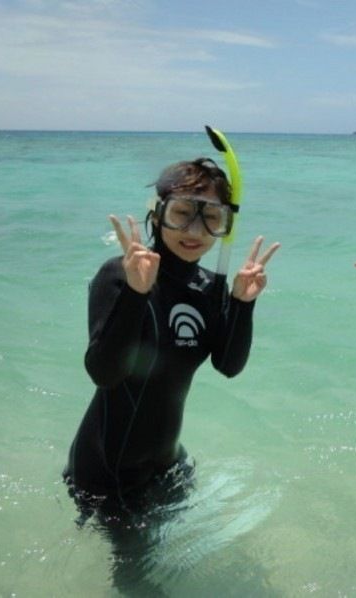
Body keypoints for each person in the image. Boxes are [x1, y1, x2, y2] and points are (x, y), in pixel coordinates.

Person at [64, 156, 280, 512]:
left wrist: (243, 303)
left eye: (211, 218)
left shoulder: (210, 287)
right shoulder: (120, 274)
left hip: (169, 464)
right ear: (157, 213)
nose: (195, 232)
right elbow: (103, 372)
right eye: (182, 214)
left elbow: (228, 365)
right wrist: (136, 293)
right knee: (137, 568)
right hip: (108, 472)